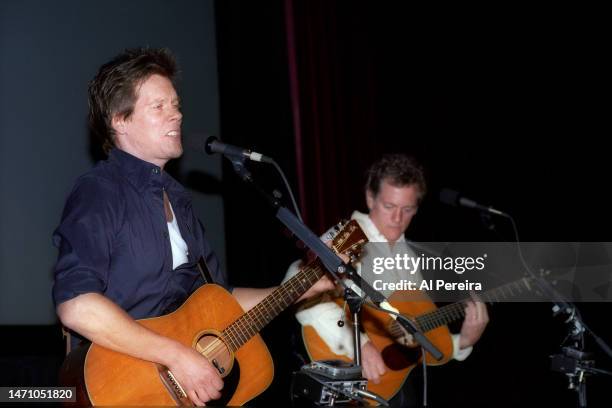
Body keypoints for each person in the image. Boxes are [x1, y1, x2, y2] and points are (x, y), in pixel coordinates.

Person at [52, 47, 331, 406]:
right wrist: (177, 356)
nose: (177, 115)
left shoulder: (179, 203)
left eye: (177, 105)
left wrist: (298, 288)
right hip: (122, 385)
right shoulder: (99, 192)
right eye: (159, 107)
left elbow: (221, 301)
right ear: (119, 120)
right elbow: (77, 305)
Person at [285, 153, 489, 406]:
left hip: (396, 386)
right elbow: (294, 286)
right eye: (389, 206)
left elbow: (415, 336)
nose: (397, 219)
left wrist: (464, 340)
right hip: (346, 381)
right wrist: (360, 343)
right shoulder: (349, 236)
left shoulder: (412, 256)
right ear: (370, 198)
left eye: (407, 209)